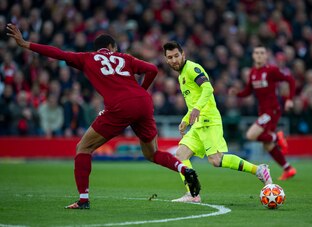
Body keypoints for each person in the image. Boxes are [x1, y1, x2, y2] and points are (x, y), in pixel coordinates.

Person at [7, 24, 201, 209]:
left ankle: (83, 200)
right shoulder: (124, 58)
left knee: (83, 147)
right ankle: (184, 170)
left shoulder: (87, 58)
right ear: (111, 47)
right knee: (152, 153)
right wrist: (140, 91)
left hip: (120, 106)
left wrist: (26, 44)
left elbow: (58, 53)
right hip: (143, 101)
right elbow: (152, 69)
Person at [163, 41, 272, 203]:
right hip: (198, 123)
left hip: (208, 120)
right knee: (180, 156)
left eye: (176, 56)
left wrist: (197, 109)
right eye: (170, 57)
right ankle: (193, 194)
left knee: (216, 160)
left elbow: (208, 88)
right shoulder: (181, 76)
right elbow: (194, 102)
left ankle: (259, 170)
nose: (174, 60)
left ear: (183, 54)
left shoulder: (192, 68)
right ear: (166, 60)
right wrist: (186, 119)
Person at [229, 44, 297, 181]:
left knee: (250, 135)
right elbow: (248, 90)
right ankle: (288, 168)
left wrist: (289, 99)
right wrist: (237, 93)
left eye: (262, 53)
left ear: (266, 56)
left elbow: (290, 79)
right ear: (253, 56)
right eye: (256, 53)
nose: (259, 55)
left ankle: (277, 137)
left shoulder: (271, 70)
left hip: (272, 110)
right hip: (263, 112)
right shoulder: (253, 72)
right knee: (267, 144)